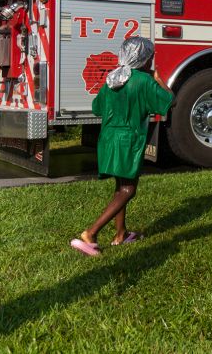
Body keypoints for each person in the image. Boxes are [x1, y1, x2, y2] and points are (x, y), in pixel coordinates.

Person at [70, 37, 174, 256]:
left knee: (120, 187)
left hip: (108, 138)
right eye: (151, 57)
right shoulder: (143, 81)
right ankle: (91, 234)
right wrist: (157, 78)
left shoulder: (111, 78)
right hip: (129, 140)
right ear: (145, 59)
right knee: (129, 189)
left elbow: (97, 108)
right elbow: (169, 102)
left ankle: (121, 234)